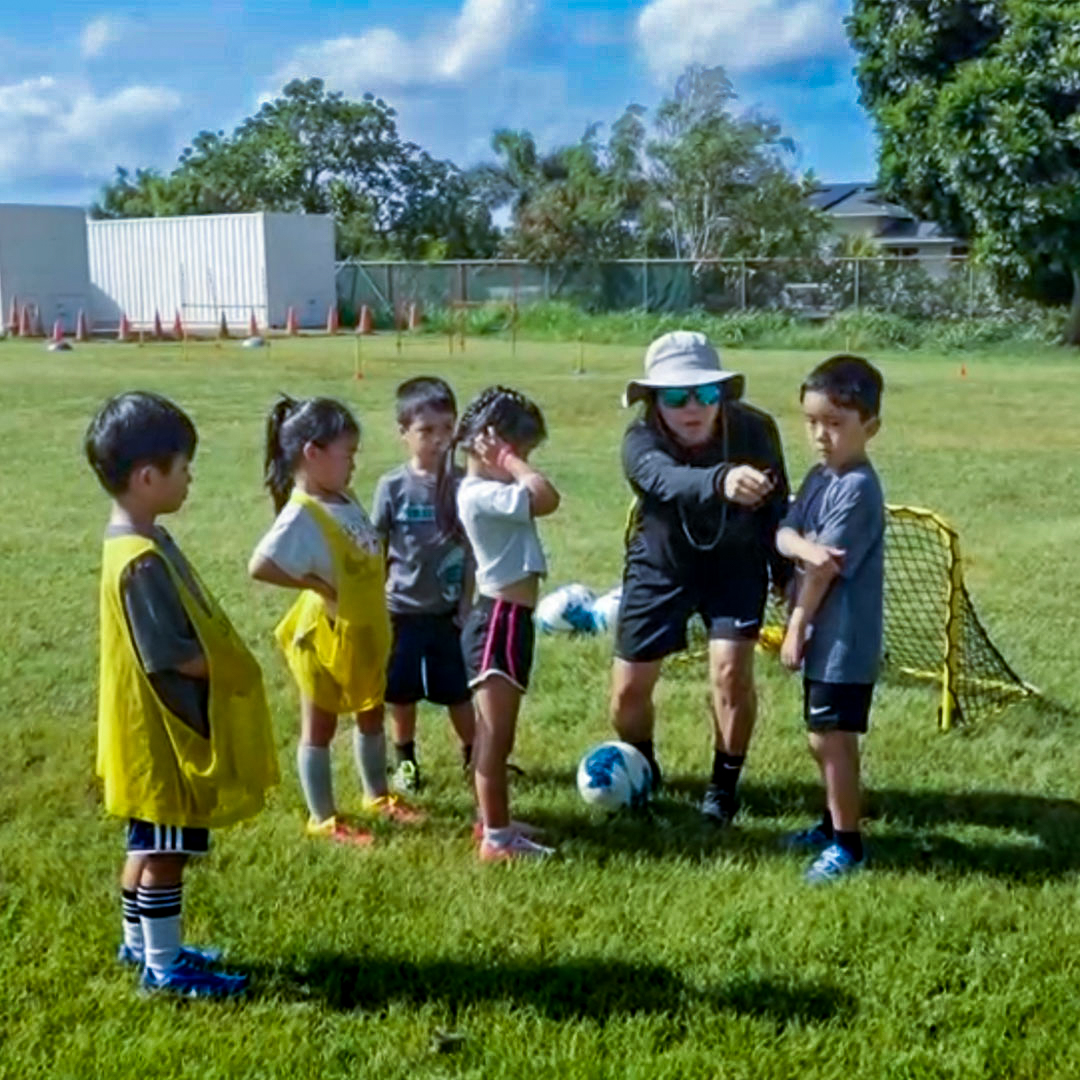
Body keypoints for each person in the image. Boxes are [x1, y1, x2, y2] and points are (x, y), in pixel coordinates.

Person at [86, 391, 278, 998]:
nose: (190, 477)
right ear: (147, 477)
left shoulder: (132, 541)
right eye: (182, 466)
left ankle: (139, 944)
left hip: (144, 737)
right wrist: (224, 667)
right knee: (166, 852)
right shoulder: (139, 561)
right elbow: (167, 653)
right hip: (166, 739)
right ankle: (165, 970)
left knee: (144, 844)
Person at [611, 331, 789, 823]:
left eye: (706, 393)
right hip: (661, 561)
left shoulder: (755, 430)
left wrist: (786, 574)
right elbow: (663, 480)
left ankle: (723, 786)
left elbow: (778, 504)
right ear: (653, 400)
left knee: (731, 673)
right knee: (627, 692)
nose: (693, 406)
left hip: (736, 563)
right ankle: (642, 765)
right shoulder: (640, 439)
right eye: (675, 396)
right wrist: (722, 479)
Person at [249, 395, 421, 846]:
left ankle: (377, 796)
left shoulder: (341, 496)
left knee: (370, 714)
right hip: (325, 637)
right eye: (348, 454)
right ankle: (323, 817)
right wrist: (319, 587)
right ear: (313, 454)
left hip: (364, 633)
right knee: (320, 726)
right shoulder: (303, 512)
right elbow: (260, 564)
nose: (354, 464)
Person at [777, 354, 885, 883]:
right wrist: (803, 546)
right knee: (820, 733)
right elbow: (786, 532)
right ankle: (830, 822)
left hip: (844, 639)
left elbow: (821, 573)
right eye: (812, 422)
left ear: (870, 427)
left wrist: (796, 628)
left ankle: (848, 846)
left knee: (831, 737)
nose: (821, 435)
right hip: (825, 638)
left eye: (835, 424)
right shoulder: (820, 476)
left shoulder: (859, 488)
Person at [456, 387, 560, 861]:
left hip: (511, 618)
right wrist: (513, 463)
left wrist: (510, 460)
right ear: (491, 446)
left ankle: (493, 819)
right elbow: (546, 497)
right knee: (495, 740)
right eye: (524, 452)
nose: (527, 462)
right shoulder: (481, 495)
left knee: (498, 736)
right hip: (498, 620)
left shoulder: (492, 492)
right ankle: (496, 840)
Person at [372, 377, 475, 795]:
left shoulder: (465, 484)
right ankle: (406, 759)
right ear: (403, 434)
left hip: (448, 612)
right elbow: (377, 546)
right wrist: (375, 600)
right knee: (402, 691)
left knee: (458, 690)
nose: (438, 440)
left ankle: (475, 754)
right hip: (400, 609)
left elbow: (471, 550)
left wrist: (467, 601)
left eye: (447, 428)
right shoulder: (392, 487)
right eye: (426, 431)